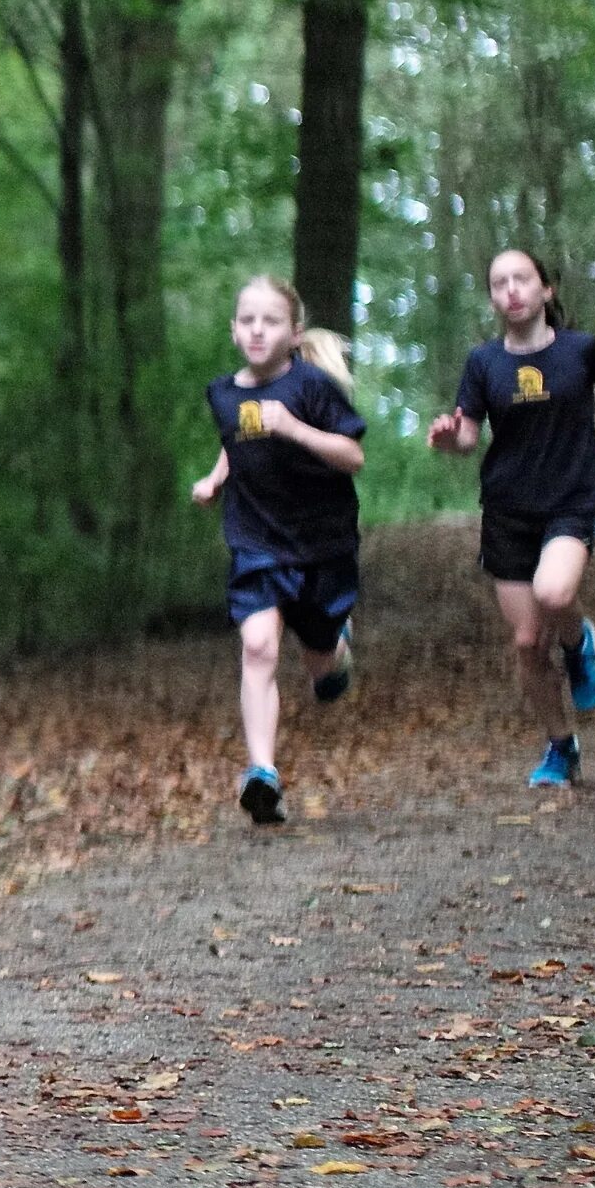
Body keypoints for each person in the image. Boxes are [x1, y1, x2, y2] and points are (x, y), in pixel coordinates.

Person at [429, 250, 595, 788]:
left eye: (522, 279)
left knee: (556, 593)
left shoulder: (581, 351)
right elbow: (469, 435)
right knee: (524, 643)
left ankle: (579, 643)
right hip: (506, 511)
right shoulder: (483, 362)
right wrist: (452, 440)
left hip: (570, 498)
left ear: (548, 289)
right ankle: (561, 746)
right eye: (499, 283)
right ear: (492, 298)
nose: (511, 290)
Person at [190, 277, 366, 828]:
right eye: (246, 320)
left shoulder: (312, 387)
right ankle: (262, 771)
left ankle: (334, 648)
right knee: (259, 647)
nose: (256, 330)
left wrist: (293, 428)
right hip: (256, 541)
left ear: (294, 334)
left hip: (321, 544)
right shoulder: (223, 393)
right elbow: (235, 441)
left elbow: (352, 455)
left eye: (269, 321)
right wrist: (216, 478)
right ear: (233, 330)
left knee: (321, 665)